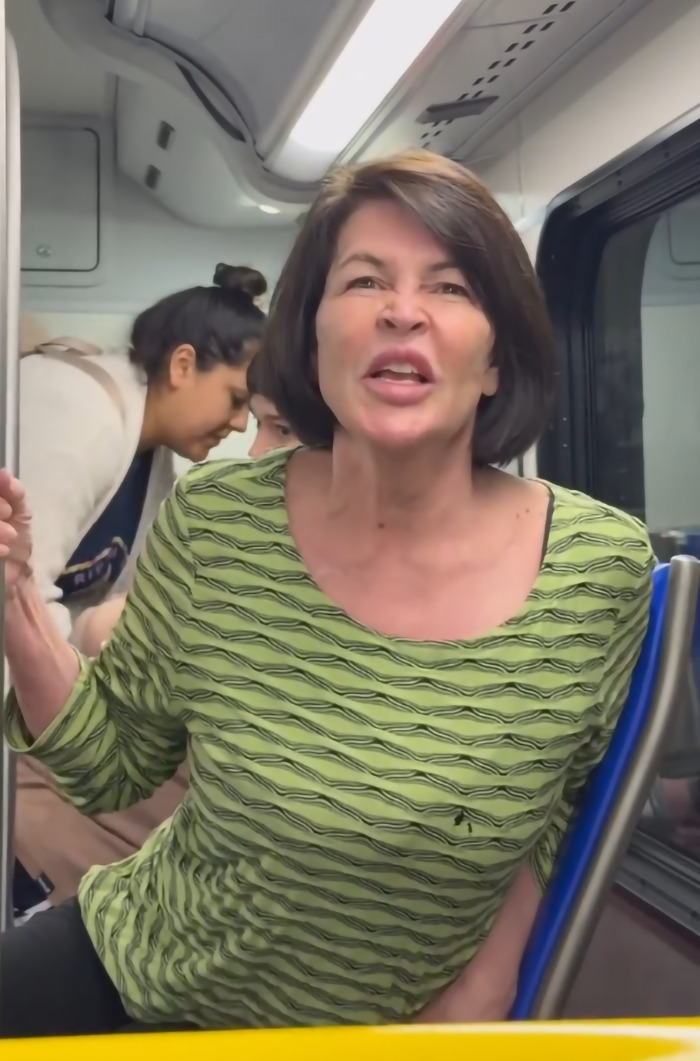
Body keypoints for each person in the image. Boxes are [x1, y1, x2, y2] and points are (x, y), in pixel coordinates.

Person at [0, 149, 654, 1037]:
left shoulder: (596, 565)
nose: (402, 310)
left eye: (452, 287)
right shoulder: (218, 521)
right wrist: (12, 603)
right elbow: (114, 758)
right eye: (365, 280)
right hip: (140, 974)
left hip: (378, 1030)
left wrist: (481, 995)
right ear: (313, 338)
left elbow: (566, 806)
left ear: (497, 359)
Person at [12, 263, 268, 919]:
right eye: (237, 399)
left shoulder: (151, 463)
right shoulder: (79, 412)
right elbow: (16, 595)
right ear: (183, 364)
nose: (241, 427)